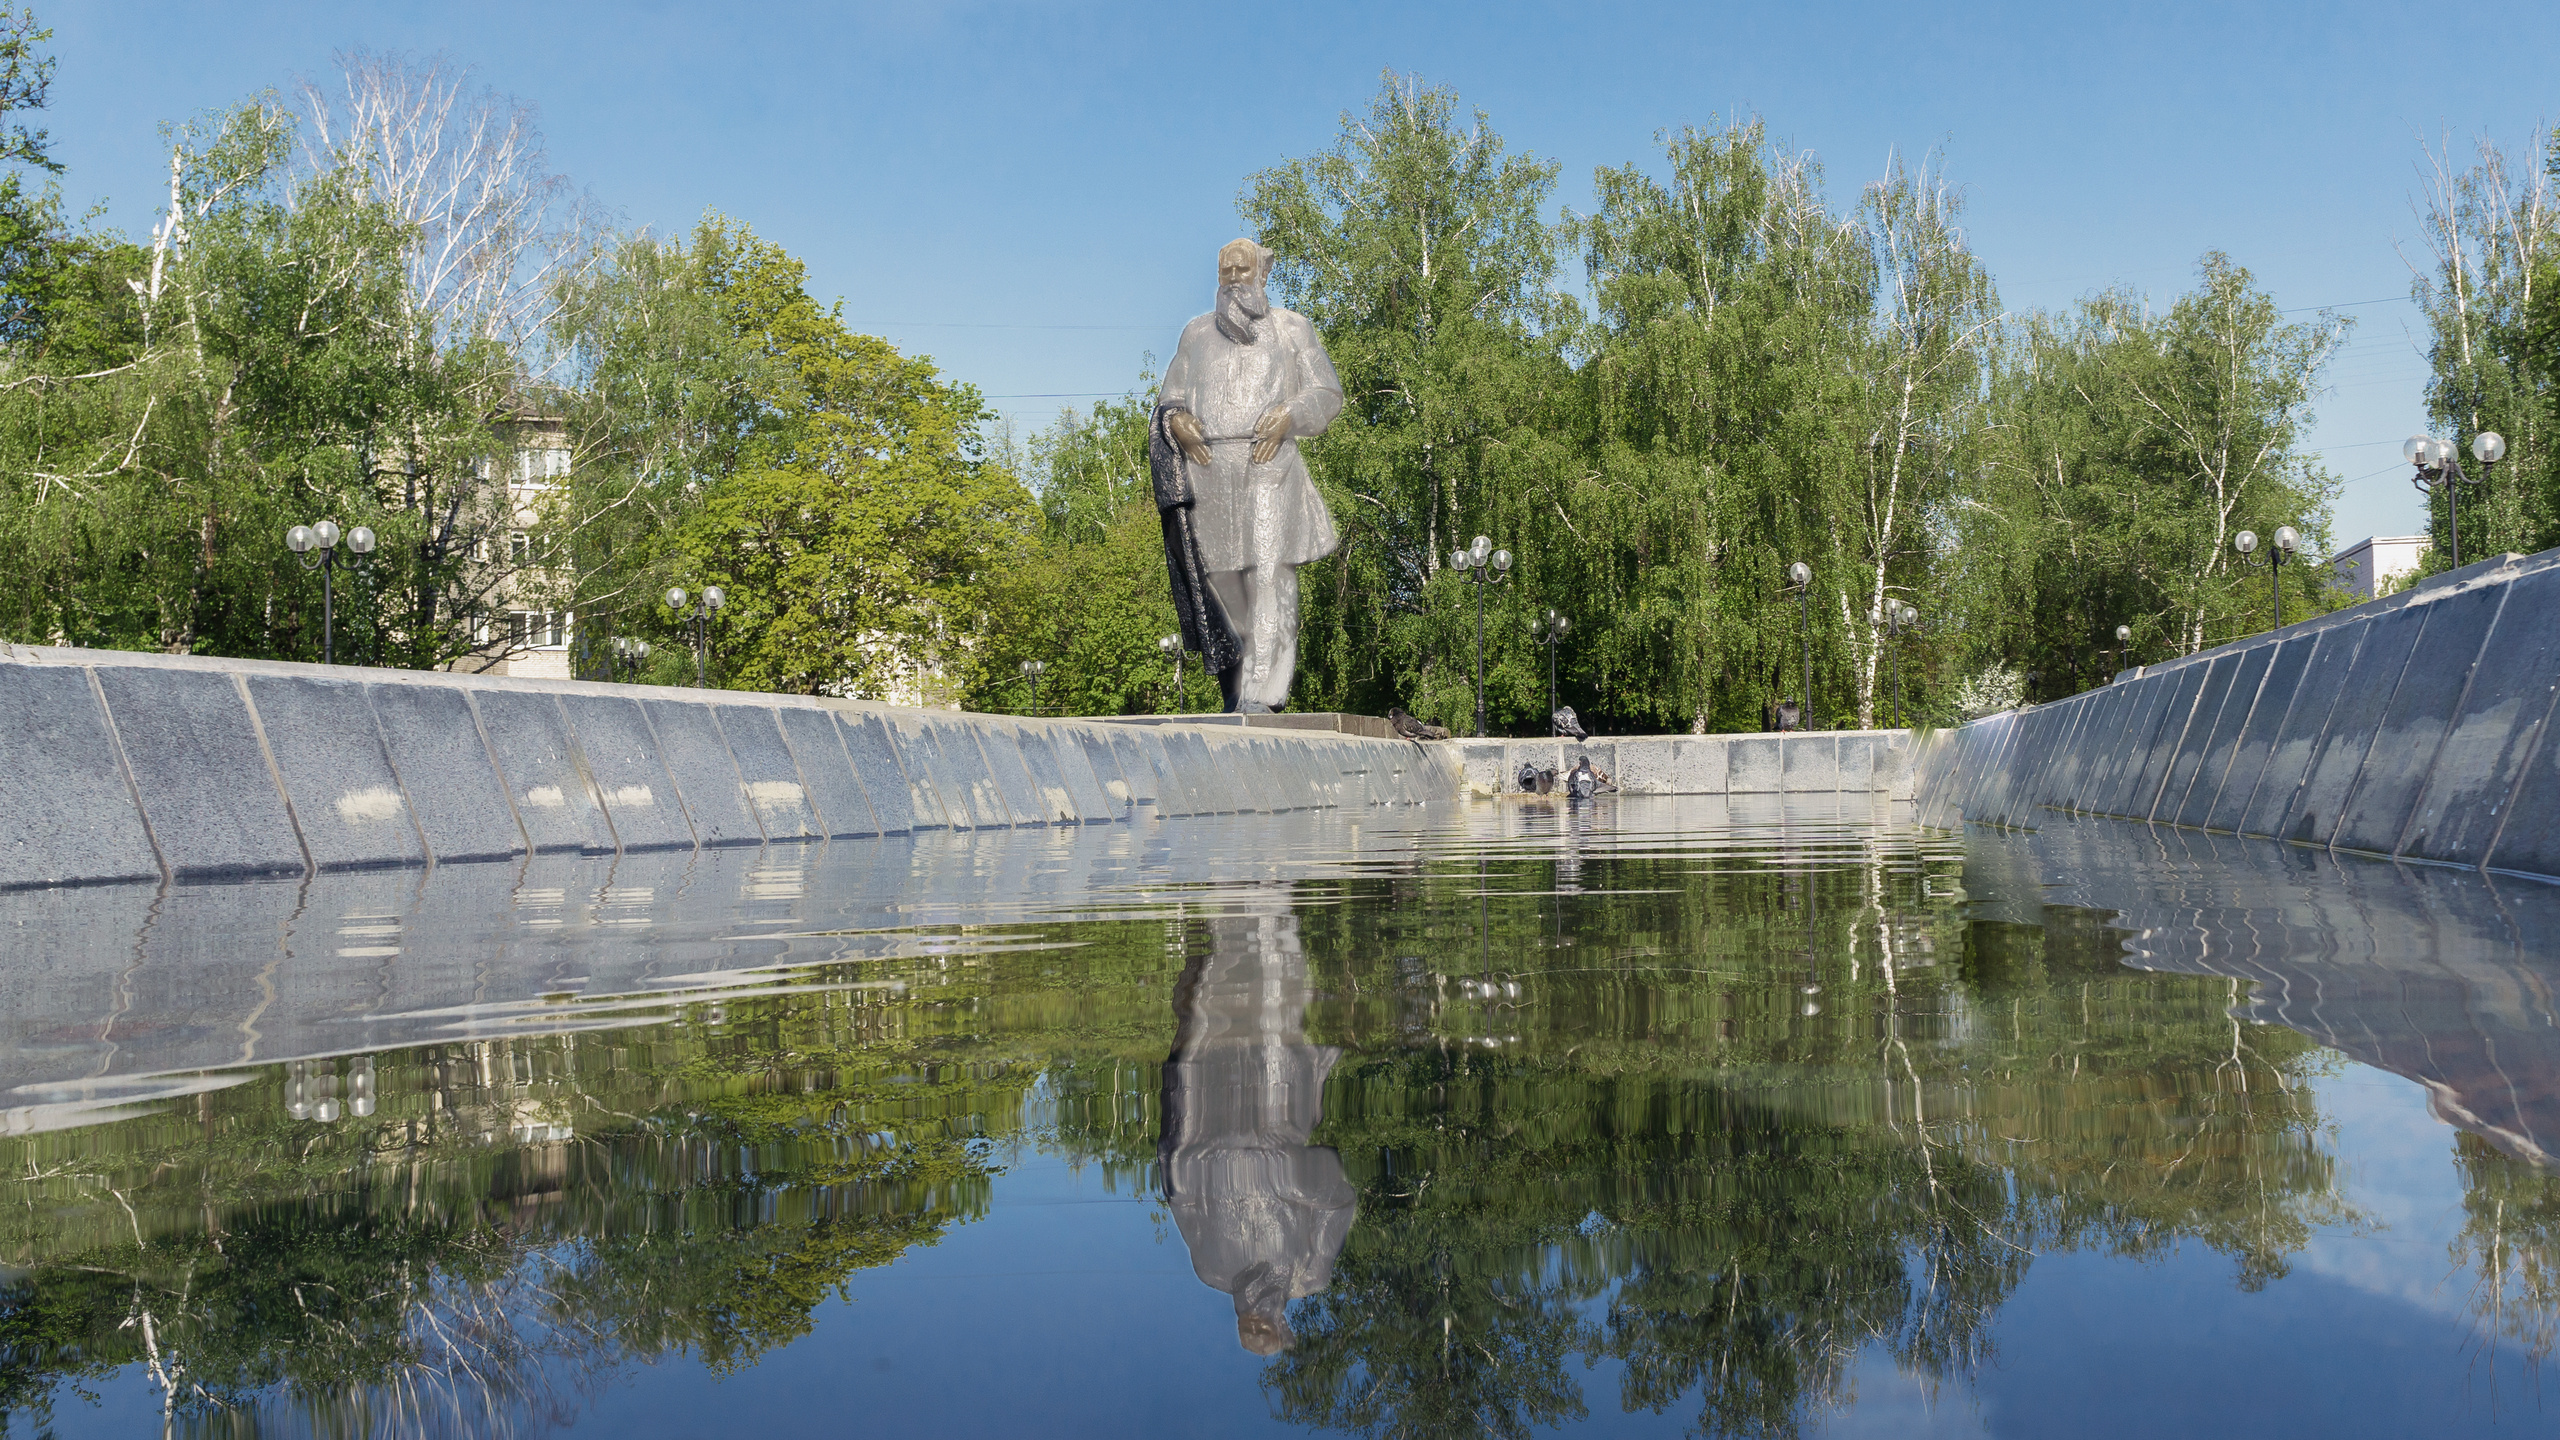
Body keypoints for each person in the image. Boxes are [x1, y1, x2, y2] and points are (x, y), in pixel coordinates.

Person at [1155, 239, 1346, 713]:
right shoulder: (1195, 334)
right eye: (1226, 271)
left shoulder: (1292, 328)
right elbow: (1170, 397)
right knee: (1219, 581)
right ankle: (1238, 687)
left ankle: (1267, 689)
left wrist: (1291, 413)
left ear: (1264, 272)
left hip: (1268, 466)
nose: (1235, 278)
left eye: (1244, 269)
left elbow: (1327, 391)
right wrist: (1176, 421)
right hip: (1209, 473)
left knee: (1267, 575)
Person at [1158, 905, 1357, 1354]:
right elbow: (1338, 1198)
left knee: (1206, 999)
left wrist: (1198, 1150)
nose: (1256, 1326)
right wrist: (1287, 1172)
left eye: (1250, 1332)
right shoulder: (1311, 1271)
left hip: (1207, 1109)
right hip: (1275, 1106)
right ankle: (1270, 909)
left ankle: (1210, 912)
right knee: (1272, 996)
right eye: (1267, 1333)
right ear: (1284, 1329)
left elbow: (1178, 1190)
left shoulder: (1210, 1269)